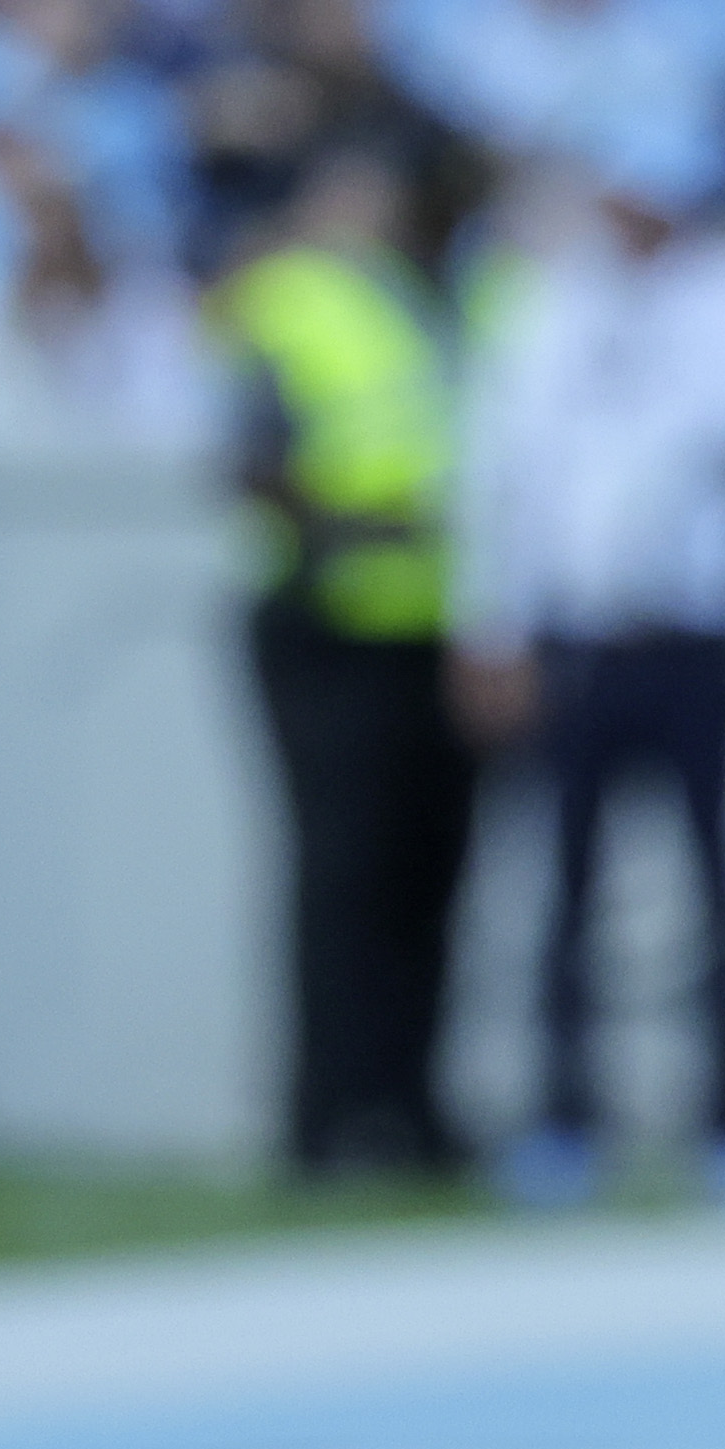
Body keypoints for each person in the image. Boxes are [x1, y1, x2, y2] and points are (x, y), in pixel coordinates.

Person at [455, 126, 725, 1206]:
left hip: (696, 630)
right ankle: (565, 1117)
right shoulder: (548, 303)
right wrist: (491, 624)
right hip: (580, 633)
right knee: (565, 888)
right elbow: (503, 469)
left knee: (721, 888)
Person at [211, 126, 476, 1181]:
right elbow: (250, 460)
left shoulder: (442, 301)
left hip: (434, 621)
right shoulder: (285, 302)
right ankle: (325, 1113)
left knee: (429, 878)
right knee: (340, 877)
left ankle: (410, 1103)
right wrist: (352, 532)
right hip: (326, 620)